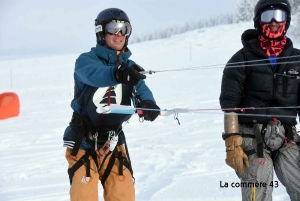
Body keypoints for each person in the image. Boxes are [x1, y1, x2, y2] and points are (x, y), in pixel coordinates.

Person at [63, 8, 160, 201]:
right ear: (101, 32)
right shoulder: (85, 61)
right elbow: (94, 74)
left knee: (122, 194)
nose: (119, 34)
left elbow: (140, 86)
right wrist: (117, 74)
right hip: (84, 140)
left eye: (124, 29)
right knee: (85, 195)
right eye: (113, 28)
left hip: (114, 141)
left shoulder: (129, 67)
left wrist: (148, 103)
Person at [219, 0, 300, 200]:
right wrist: (232, 144)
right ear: (258, 21)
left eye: (279, 16)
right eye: (267, 16)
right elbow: (230, 105)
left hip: (286, 137)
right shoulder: (242, 58)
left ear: (287, 20)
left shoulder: (297, 60)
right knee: (259, 191)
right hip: (251, 137)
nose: (273, 22)